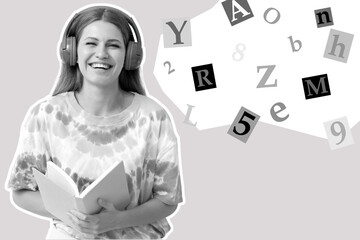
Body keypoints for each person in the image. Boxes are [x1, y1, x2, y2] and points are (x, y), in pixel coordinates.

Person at [5, 4, 183, 239]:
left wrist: (118, 220)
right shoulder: (45, 114)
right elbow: (21, 192)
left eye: (113, 45)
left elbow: (167, 200)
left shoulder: (154, 117)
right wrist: (76, 216)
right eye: (91, 43)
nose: (101, 53)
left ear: (131, 56)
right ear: (71, 51)